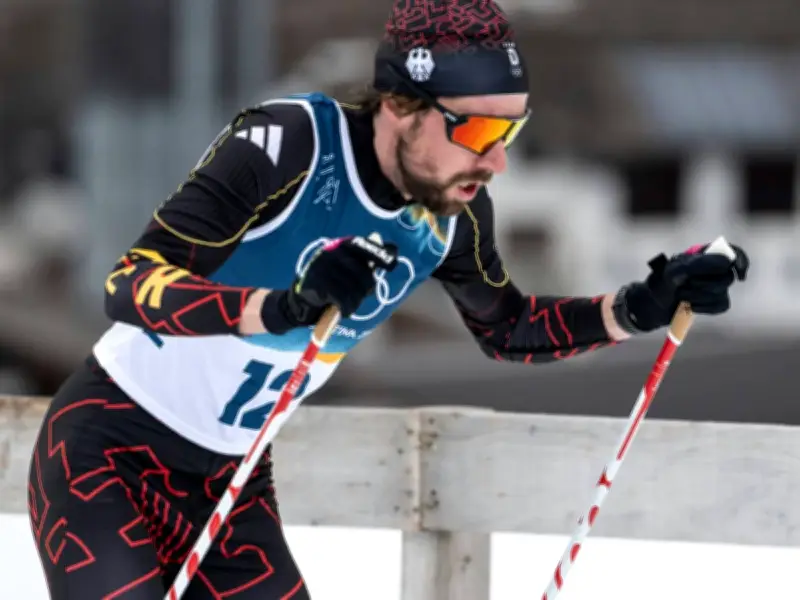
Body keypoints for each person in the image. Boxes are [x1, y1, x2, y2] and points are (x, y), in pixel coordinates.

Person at [26, 1, 749, 598]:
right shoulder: (291, 145)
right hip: (108, 451)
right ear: (402, 105)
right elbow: (131, 281)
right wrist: (279, 306)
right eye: (480, 129)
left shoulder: (453, 216)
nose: (496, 160)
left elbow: (509, 328)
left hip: (230, 478)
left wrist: (640, 307)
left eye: (512, 130)